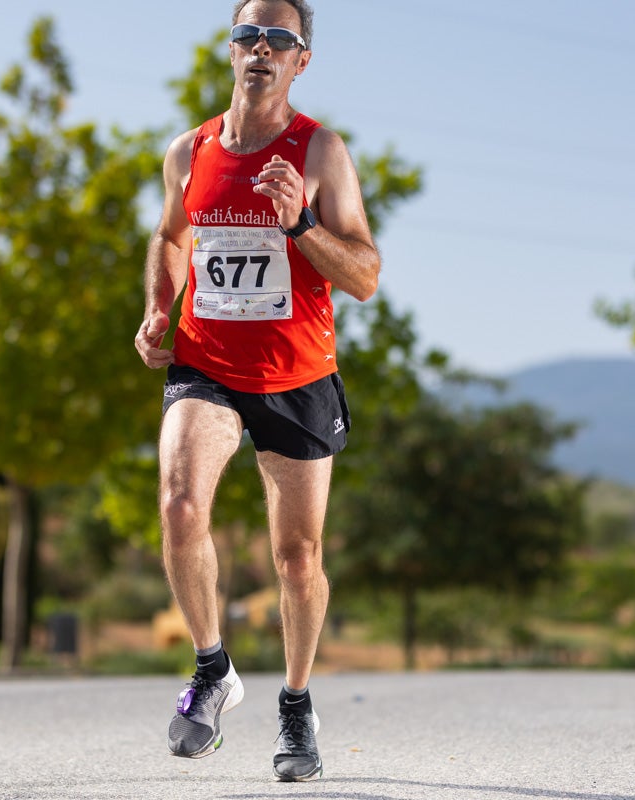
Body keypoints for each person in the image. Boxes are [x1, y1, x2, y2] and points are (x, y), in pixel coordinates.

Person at [133, 0, 380, 783]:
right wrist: (156, 306)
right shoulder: (190, 150)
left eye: (280, 38)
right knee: (177, 504)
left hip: (298, 375)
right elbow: (173, 236)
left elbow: (367, 277)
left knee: (297, 556)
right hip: (205, 363)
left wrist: (301, 223)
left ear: (301, 61)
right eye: (249, 34)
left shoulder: (320, 151)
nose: (261, 49)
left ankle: (297, 704)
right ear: (230, 50)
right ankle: (212, 668)